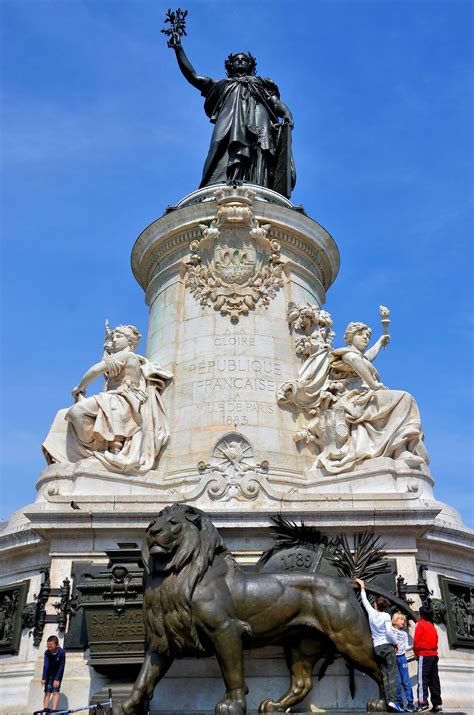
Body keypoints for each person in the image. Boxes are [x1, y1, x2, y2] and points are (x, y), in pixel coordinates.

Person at [284, 321, 429, 474]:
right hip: (353, 398)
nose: (365, 338)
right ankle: (399, 449)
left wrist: (380, 340)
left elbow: (367, 358)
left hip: (365, 396)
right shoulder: (346, 354)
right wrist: (373, 384)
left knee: (405, 401)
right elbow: (355, 361)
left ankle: (400, 450)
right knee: (404, 398)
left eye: (367, 336)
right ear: (349, 337)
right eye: (360, 334)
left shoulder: (361, 358)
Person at [167, 33, 296, 197]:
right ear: (230, 66)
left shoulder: (261, 83)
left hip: (258, 119)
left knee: (259, 151)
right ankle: (219, 186)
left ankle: (256, 187)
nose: (240, 61)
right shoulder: (221, 85)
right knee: (219, 148)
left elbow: (275, 102)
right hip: (229, 122)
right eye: (236, 60)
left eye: (243, 59)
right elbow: (193, 77)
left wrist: (286, 112)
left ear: (250, 65)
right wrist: (179, 50)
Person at [42, 324, 172, 474]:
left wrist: (80, 388)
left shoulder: (127, 355)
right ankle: (92, 451)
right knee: (63, 414)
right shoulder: (119, 357)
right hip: (112, 398)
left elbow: (96, 370)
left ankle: (93, 451)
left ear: (130, 342)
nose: (114, 340)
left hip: (123, 400)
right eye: (113, 337)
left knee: (77, 411)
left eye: (119, 336)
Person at [355, 579, 403, 712]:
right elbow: (389, 631)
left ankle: (387, 701)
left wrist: (363, 587)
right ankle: (393, 701)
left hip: (377, 648)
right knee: (392, 674)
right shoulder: (386, 616)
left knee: (384, 675)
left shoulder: (372, 613)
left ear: (376, 604)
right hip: (387, 646)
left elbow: (364, 601)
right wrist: (396, 643)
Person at [413, 606, 442, 712]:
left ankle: (422, 703)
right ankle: (437, 703)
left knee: (422, 680)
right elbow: (436, 639)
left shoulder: (420, 624)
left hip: (424, 655)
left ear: (422, 614)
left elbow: (416, 642)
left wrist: (417, 653)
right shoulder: (431, 625)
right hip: (434, 655)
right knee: (434, 680)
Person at [392, 612, 415, 712]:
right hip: (393, 658)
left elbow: (405, 647)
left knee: (406, 681)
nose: (403, 621)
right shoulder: (390, 630)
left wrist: (413, 647)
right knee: (397, 682)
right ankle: (399, 703)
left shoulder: (404, 634)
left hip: (402, 658)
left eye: (404, 620)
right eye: (401, 619)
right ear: (395, 620)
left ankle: (410, 703)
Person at [41, 635, 65, 712]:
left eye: (51, 646)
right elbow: (46, 665)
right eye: (48, 646)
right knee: (47, 691)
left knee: (55, 691)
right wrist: (44, 678)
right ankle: (45, 708)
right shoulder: (47, 653)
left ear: (57, 645)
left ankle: (54, 710)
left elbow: (61, 666)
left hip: (57, 674)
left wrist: (57, 679)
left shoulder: (61, 652)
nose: (49, 648)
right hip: (49, 674)